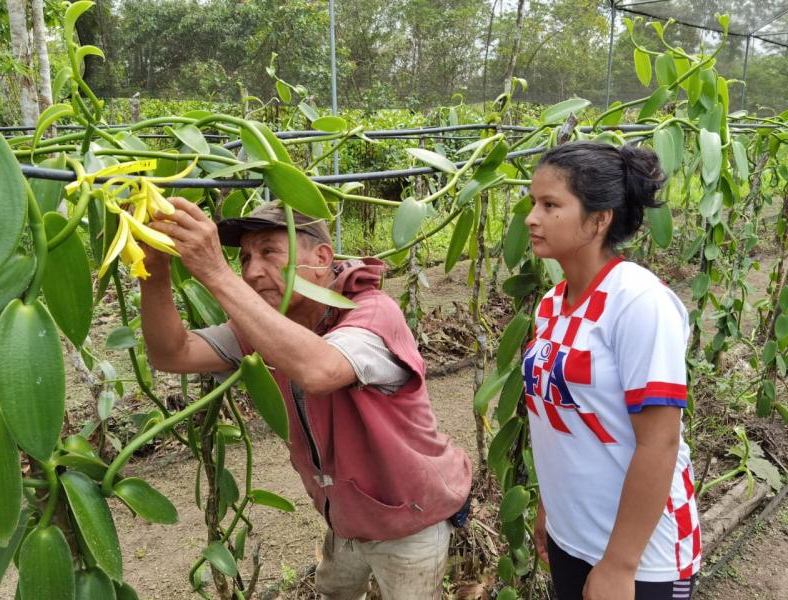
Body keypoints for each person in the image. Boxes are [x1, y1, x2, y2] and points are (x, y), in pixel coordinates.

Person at [139, 198, 472, 600]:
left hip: (410, 517)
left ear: (321, 258)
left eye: (269, 252)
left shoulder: (372, 313)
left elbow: (321, 370)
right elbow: (171, 354)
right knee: (334, 591)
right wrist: (153, 271)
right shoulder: (265, 327)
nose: (252, 271)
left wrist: (216, 272)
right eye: (244, 259)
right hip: (346, 518)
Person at [523, 141, 700, 600]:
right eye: (533, 203)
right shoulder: (551, 305)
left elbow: (659, 441)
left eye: (550, 205)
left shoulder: (639, 303)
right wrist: (550, 507)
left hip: (642, 555)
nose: (531, 218)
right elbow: (561, 420)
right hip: (571, 535)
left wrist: (620, 563)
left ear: (599, 219)